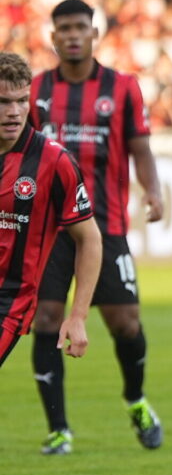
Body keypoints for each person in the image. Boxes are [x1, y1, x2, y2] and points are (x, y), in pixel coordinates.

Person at [29, 0, 165, 456]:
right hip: (48, 230)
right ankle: (58, 429)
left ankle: (136, 400)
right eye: (63, 28)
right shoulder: (36, 90)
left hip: (104, 227)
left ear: (94, 34)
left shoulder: (122, 87)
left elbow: (141, 149)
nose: (71, 35)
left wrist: (153, 190)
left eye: (79, 27)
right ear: (53, 37)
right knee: (46, 320)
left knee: (125, 323)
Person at [0, 50, 101, 369]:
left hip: (7, 304)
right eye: (3, 102)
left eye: (21, 100)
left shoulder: (53, 161)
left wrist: (78, 315)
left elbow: (90, 239)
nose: (14, 112)